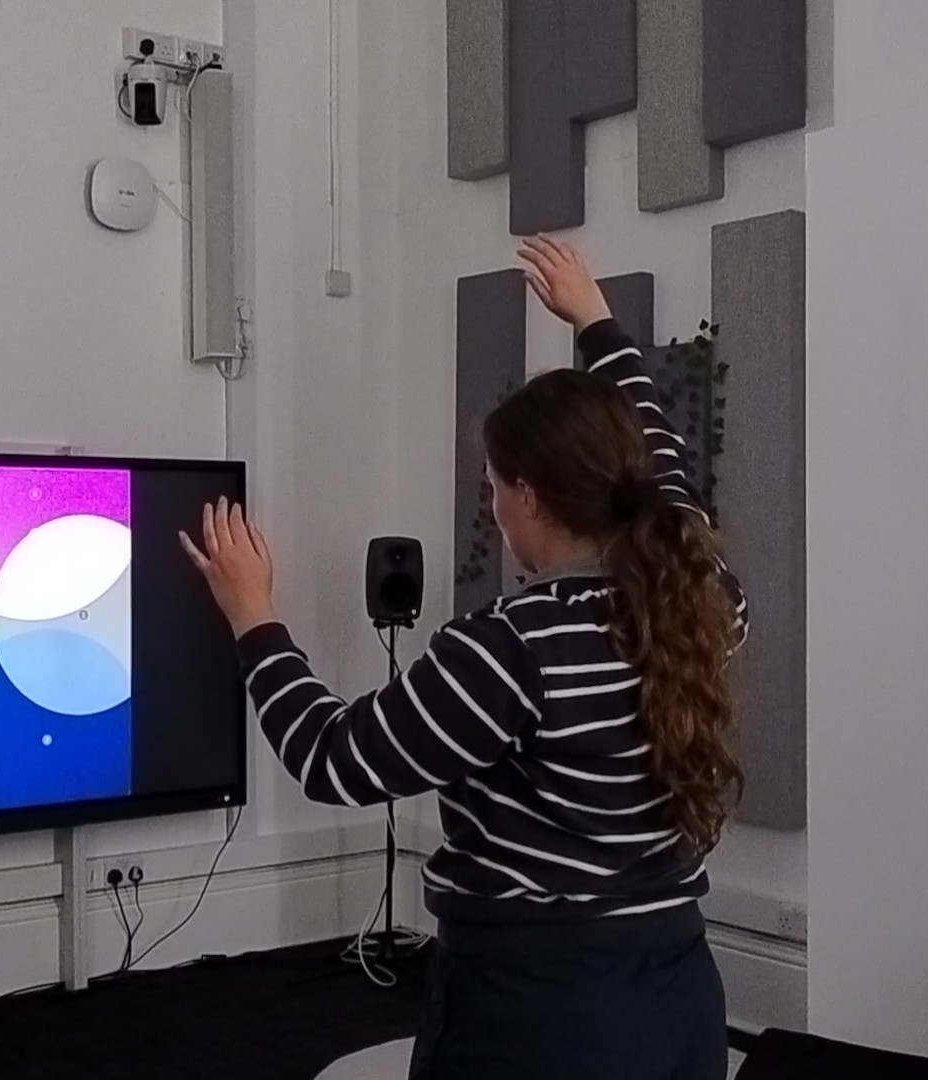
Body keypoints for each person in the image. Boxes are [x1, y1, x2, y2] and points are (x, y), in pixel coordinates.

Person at [180, 237, 747, 1080]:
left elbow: (336, 761)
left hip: (536, 1015)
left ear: (527, 496)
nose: (490, 501)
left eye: (492, 482)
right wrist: (593, 319)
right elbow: (658, 456)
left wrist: (254, 617)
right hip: (678, 1001)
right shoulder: (707, 595)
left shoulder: (513, 648)